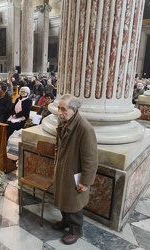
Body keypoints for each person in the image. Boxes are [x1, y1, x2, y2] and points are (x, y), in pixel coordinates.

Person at [52, 94, 98, 245]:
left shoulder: (85, 129)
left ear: (74, 110)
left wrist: (85, 182)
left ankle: (75, 231)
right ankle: (65, 222)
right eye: (59, 108)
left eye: (63, 109)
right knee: (63, 199)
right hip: (63, 169)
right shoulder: (64, 121)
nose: (59, 112)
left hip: (74, 173)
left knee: (73, 204)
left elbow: (90, 159)